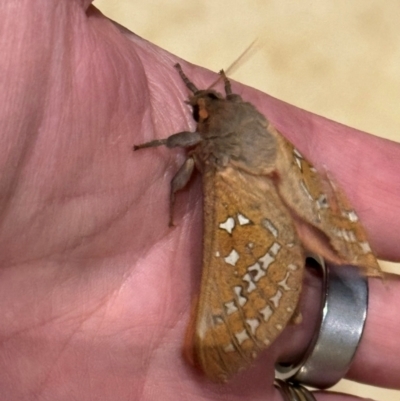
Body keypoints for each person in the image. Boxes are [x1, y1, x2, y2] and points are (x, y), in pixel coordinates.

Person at [1, 2, 399, 400]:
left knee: (219, 326)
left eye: (201, 114)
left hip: (242, 197)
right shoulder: (244, 124)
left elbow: (185, 149)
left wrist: (156, 146)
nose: (198, 111)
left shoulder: (209, 147)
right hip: (272, 172)